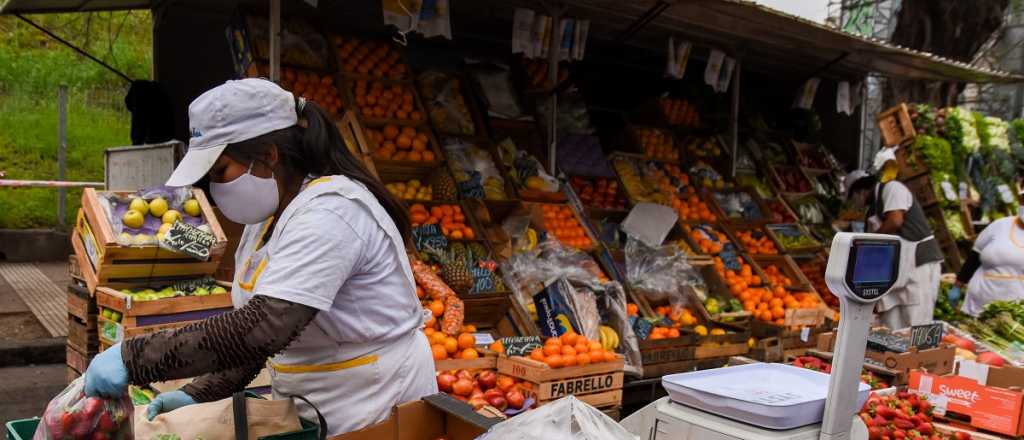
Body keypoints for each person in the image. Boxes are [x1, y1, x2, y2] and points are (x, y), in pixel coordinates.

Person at [83, 78, 437, 436]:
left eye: (220, 172)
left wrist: (135, 359)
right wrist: (201, 391)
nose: (216, 188)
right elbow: (262, 332)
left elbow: (265, 326)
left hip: (375, 405)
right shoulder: (268, 217)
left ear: (268, 154)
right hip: (313, 406)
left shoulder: (333, 213)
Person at [846, 149, 944, 329]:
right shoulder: (873, 210)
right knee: (892, 326)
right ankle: (897, 357)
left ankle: (915, 357)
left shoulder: (892, 188)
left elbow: (895, 221)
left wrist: (869, 243)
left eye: (853, 198)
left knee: (916, 322)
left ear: (861, 191)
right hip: (897, 273)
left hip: (918, 265)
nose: (855, 203)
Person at [954, 207, 1024, 316]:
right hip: (979, 302)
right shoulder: (1000, 225)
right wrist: (957, 286)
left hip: (1015, 309)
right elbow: (974, 257)